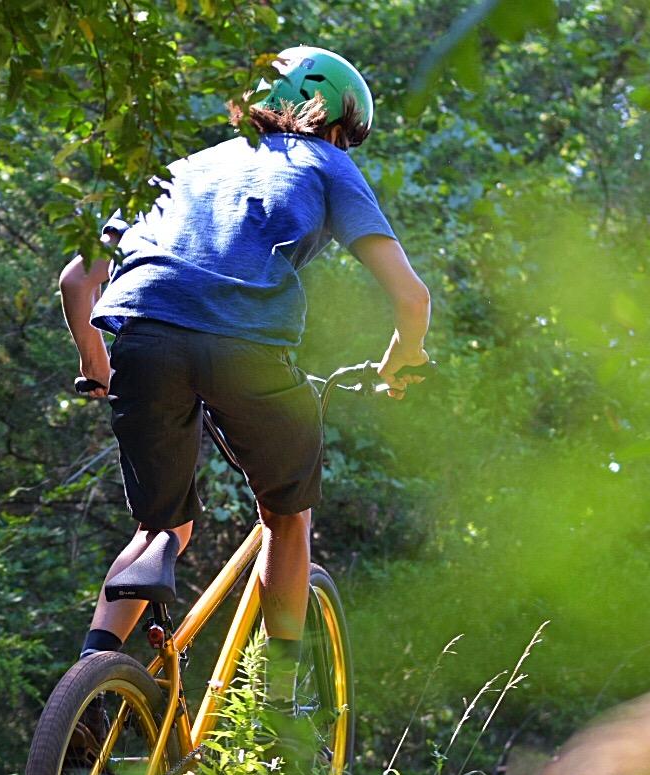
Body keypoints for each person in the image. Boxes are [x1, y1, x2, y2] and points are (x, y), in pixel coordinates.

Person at [58, 45, 431, 712]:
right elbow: (412, 298)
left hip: (144, 334)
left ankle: (88, 695)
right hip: (248, 352)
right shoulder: (329, 164)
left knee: (161, 529)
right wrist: (403, 357)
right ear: (340, 124)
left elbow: (76, 280)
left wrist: (96, 363)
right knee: (287, 517)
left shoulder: (183, 165)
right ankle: (277, 701)